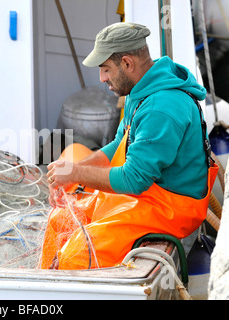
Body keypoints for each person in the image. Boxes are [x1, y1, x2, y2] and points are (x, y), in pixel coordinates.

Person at [39, 22, 219, 270]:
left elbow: (135, 180)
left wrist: (77, 173)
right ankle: (45, 290)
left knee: (77, 255)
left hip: (170, 207)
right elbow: (117, 145)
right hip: (147, 195)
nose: (102, 78)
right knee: (61, 219)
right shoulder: (141, 89)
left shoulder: (161, 107)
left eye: (105, 69)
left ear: (126, 63)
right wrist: (73, 173)